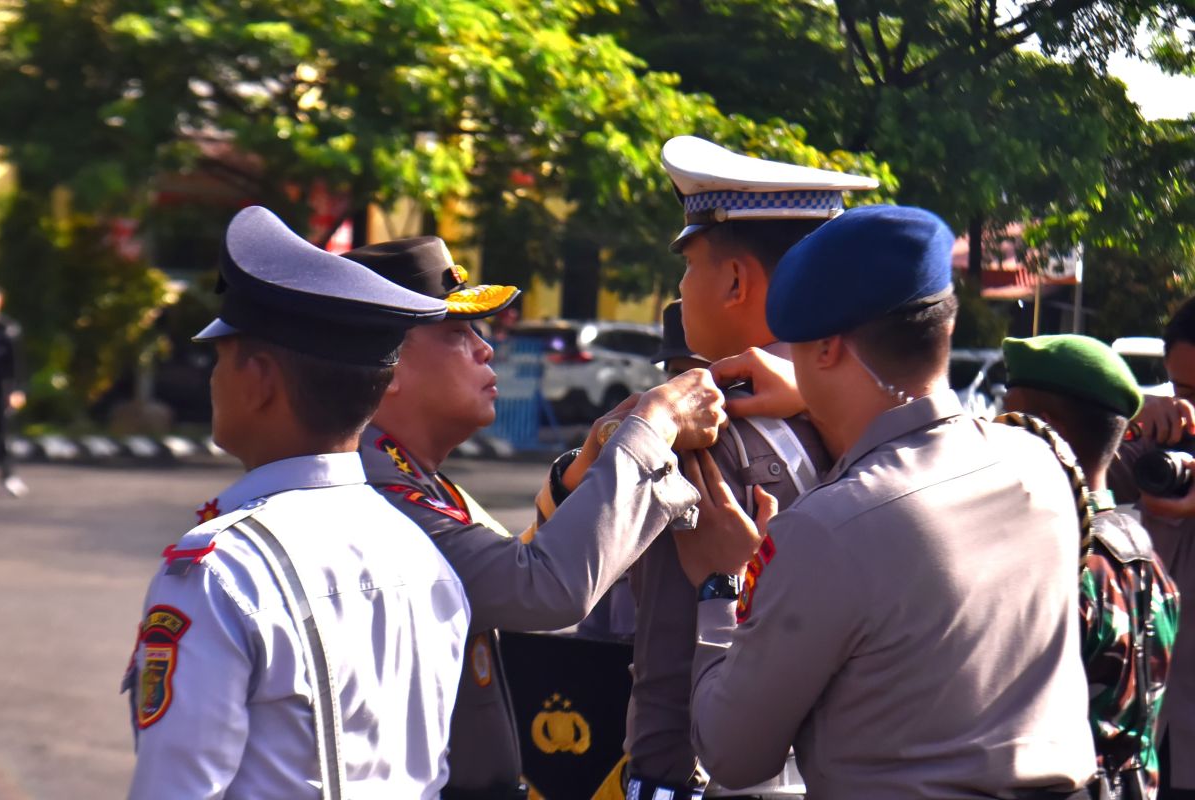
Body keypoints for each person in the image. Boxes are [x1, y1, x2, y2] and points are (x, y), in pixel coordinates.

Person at [683, 204, 1097, 797]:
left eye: (797, 348)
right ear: (943, 327)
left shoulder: (828, 529)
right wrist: (815, 396)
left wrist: (721, 583)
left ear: (825, 348)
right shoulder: (1038, 461)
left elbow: (731, 752)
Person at [338, 236, 724, 799]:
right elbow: (539, 588)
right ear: (386, 364)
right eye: (456, 332)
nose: (485, 348)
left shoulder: (417, 480)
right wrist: (653, 428)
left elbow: (505, 568)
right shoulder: (372, 486)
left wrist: (586, 468)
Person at [122, 207, 471, 799]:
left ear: (259, 379)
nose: (213, 379)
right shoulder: (425, 554)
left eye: (221, 358)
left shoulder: (221, 571)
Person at [622, 135, 877, 800]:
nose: (680, 289)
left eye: (688, 269)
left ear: (735, 280)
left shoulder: (701, 437)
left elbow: (669, 655)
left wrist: (655, 777)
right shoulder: (866, 425)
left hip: (707, 771)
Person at [1001, 334, 1180, 799]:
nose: (993, 431)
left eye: (1007, 414)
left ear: (1043, 427)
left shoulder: (1061, 559)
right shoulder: (1144, 554)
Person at [1106, 295, 1195, 800]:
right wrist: (1132, 417)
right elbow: (1067, 463)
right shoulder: (1163, 440)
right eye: (1184, 389)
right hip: (1150, 742)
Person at [0, 285, 27, 497]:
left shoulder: (8, 330)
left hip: (0, 389)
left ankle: (8, 476)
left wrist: (17, 391)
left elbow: (18, 365)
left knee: (2, 433)